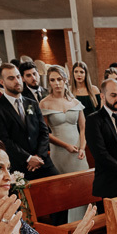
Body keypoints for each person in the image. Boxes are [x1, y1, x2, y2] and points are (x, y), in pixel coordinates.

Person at [0, 62, 58, 180]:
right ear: (1, 82)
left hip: (43, 162)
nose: (17, 81)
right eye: (11, 78)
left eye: (18, 76)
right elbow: (3, 140)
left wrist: (39, 156)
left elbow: (44, 131)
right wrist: (29, 158)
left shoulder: (32, 103)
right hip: (20, 164)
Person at [40, 65, 88, 221]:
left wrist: (82, 147)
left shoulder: (75, 101)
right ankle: (67, 225)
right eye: (52, 80)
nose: (57, 83)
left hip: (78, 152)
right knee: (64, 189)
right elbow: (44, 133)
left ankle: (85, 223)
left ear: (66, 80)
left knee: (82, 187)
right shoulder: (45, 103)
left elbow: (83, 128)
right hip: (59, 151)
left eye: (59, 79)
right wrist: (65, 145)